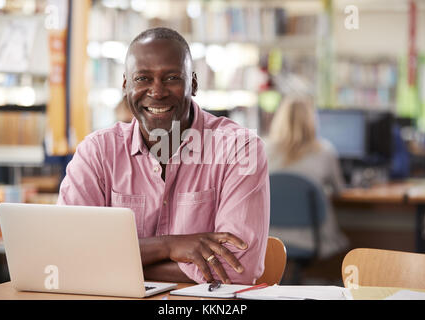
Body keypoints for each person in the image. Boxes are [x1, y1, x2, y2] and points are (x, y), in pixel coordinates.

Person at [57, 27, 270, 285]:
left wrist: (111, 264)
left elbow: (238, 269)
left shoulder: (239, 149)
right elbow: (67, 254)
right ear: (126, 85)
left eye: (171, 78)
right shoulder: (97, 152)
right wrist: (167, 246)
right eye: (142, 79)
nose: (157, 92)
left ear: (193, 83)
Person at [266, 96, 349, 259]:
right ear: (312, 121)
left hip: (270, 238)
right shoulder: (325, 151)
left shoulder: (263, 149)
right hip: (311, 238)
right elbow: (340, 191)